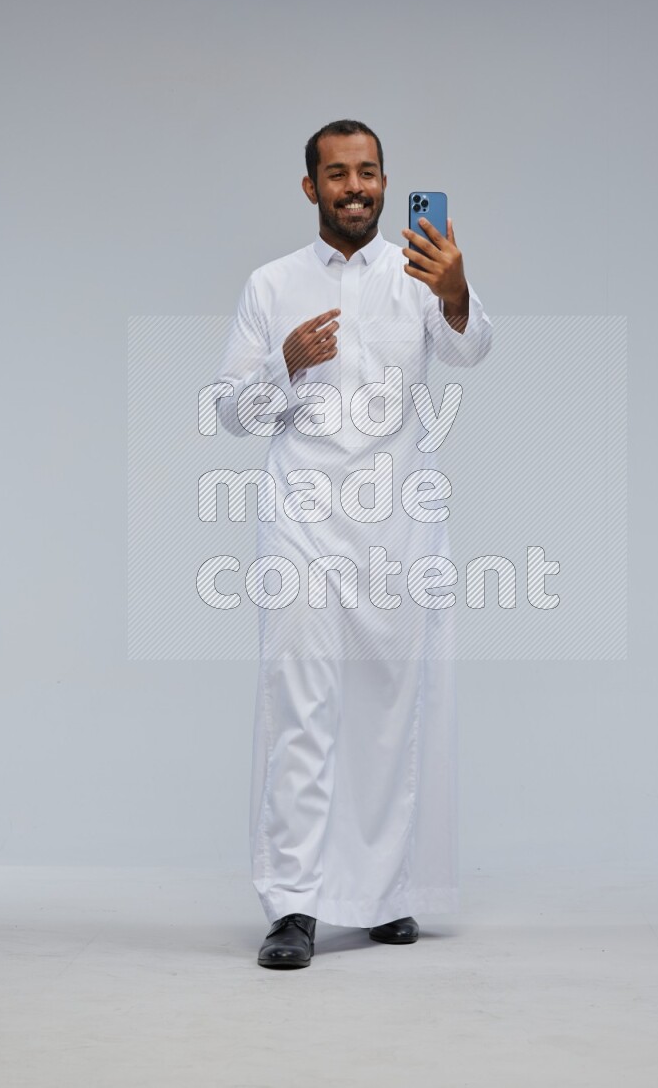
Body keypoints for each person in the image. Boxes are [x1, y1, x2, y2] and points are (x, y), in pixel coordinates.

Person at [215, 120, 493, 968]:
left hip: (399, 530)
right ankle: (294, 906)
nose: (356, 187)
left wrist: (456, 288)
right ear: (311, 189)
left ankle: (383, 899)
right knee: (299, 709)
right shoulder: (272, 285)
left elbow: (473, 347)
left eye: (368, 172)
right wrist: (285, 366)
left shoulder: (419, 273)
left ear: (384, 180)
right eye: (337, 174)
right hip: (301, 527)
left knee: (388, 712)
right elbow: (229, 410)